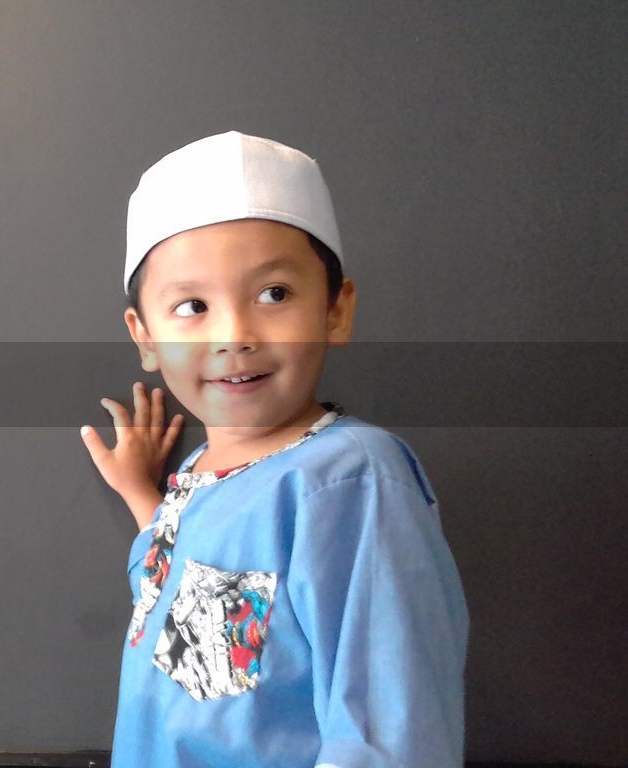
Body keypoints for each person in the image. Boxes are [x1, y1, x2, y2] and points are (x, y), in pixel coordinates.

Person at [79, 130, 469, 768]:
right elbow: (198, 595)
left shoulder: (350, 478)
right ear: (145, 337)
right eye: (192, 306)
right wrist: (142, 493)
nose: (235, 334)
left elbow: (388, 729)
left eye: (274, 295)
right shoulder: (195, 475)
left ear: (336, 310)